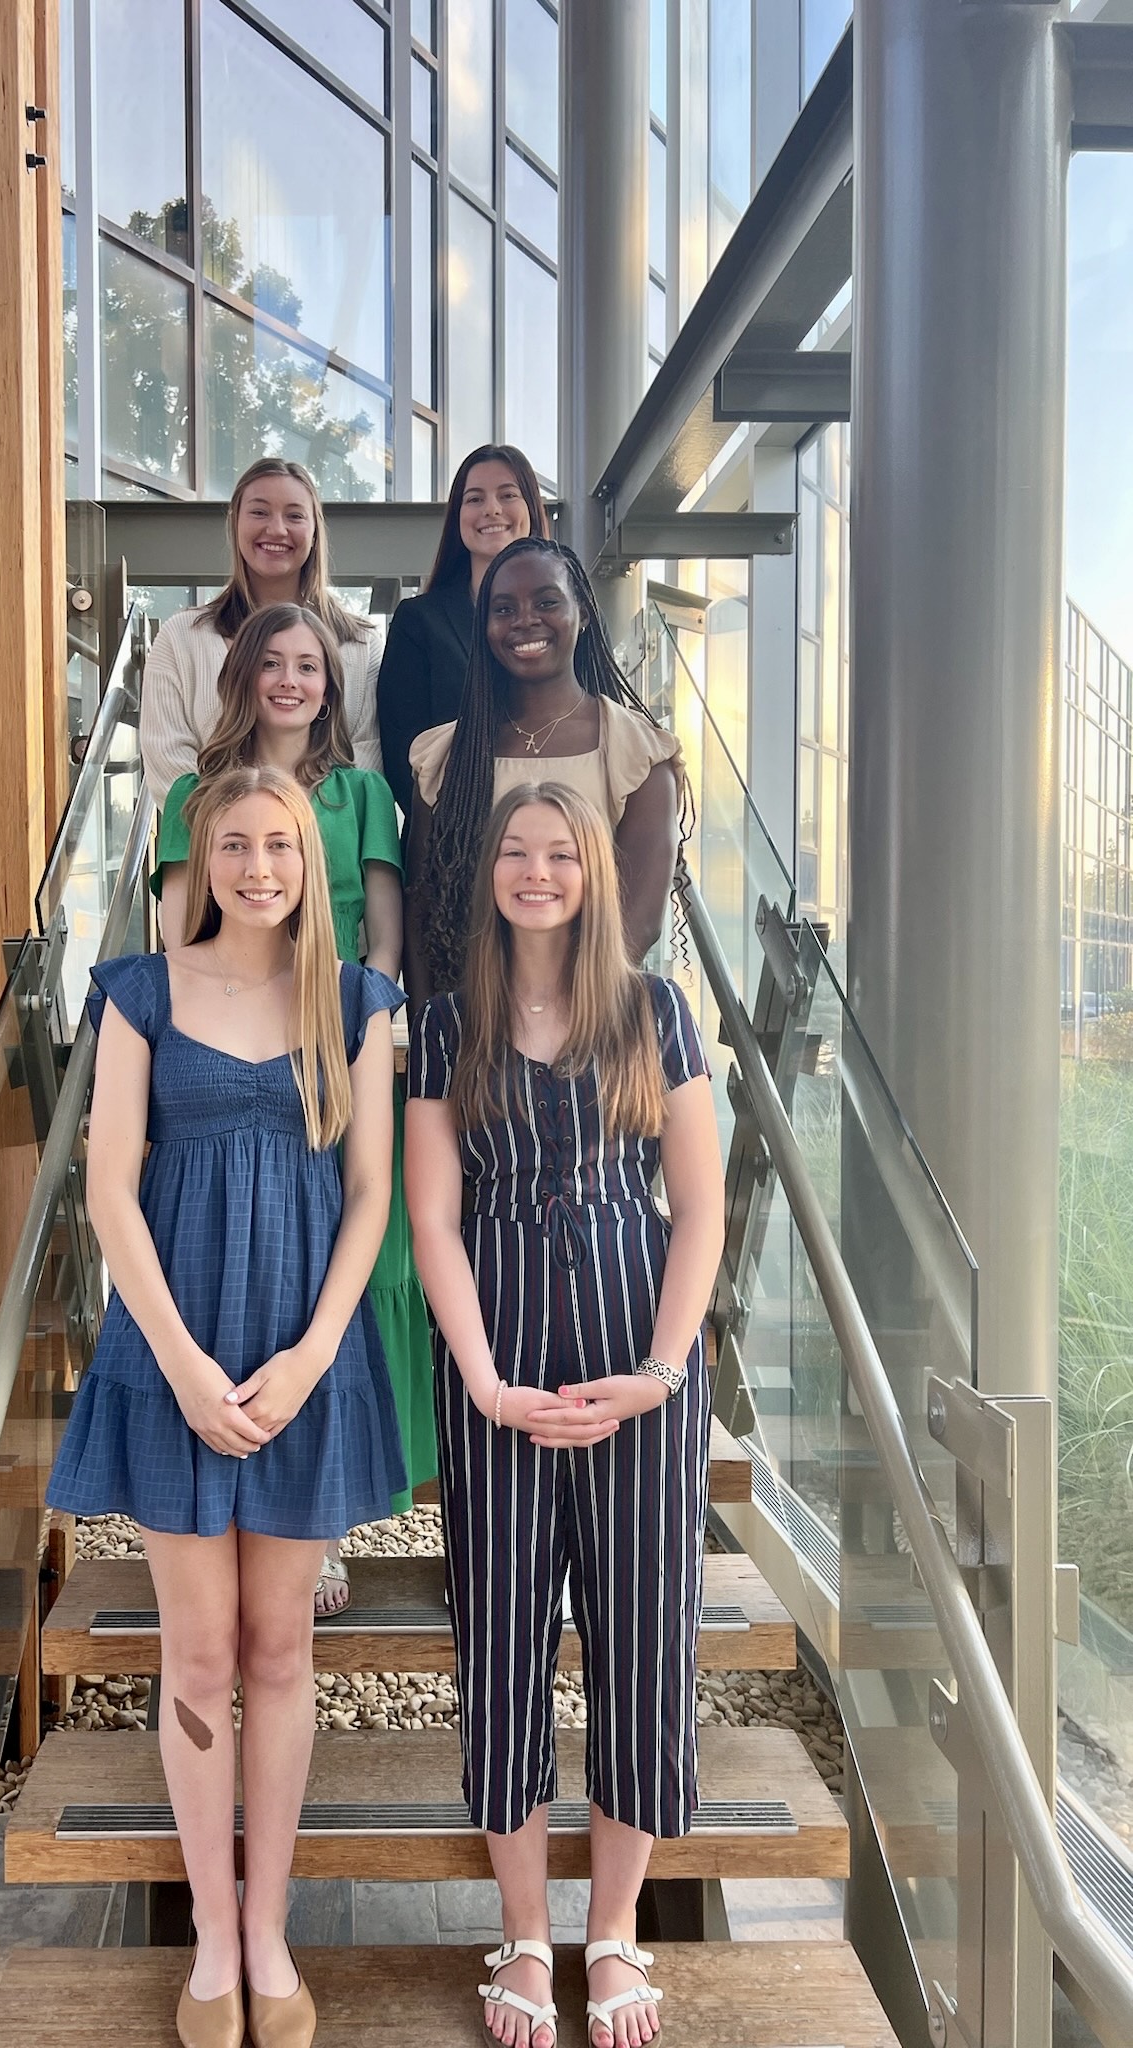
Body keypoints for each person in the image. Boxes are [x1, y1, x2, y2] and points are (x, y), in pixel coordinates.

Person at [47, 765, 406, 2048]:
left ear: (313, 859)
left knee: (280, 1651)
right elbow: (107, 1193)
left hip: (301, 1361)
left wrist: (314, 1354)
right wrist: (185, 1363)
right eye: (237, 844)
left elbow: (371, 1194)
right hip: (173, 1359)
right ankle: (210, 1930)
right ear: (200, 856)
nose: (260, 866)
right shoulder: (140, 992)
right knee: (196, 1654)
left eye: (283, 845)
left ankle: (269, 1926)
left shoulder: (360, 1001)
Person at [404, 783, 724, 2048]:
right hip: (500, 1373)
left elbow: (697, 1202)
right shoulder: (445, 1023)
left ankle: (615, 1929)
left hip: (638, 1372)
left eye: (561, 854)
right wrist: (479, 1374)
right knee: (501, 1648)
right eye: (515, 854)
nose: (536, 873)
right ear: (487, 873)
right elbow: (432, 1213)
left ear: (593, 872)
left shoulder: (655, 1011)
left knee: (645, 1645)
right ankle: (529, 1933)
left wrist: (659, 1368)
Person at [153, 604, 439, 1612]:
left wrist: (361, 1017)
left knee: (356, 1262)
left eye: (308, 663)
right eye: (269, 661)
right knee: (240, 1267)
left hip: (341, 1044)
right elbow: (177, 925)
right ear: (240, 675)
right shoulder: (193, 792)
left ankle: (319, 1518)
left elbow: (386, 930)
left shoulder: (360, 792)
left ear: (331, 683)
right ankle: (221, 1499)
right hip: (227, 1049)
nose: (289, 679)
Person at [403, 538, 686, 1007]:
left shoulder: (636, 752)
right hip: (471, 1026)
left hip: (592, 1024)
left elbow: (641, 921)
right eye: (504, 609)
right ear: (484, 626)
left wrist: (549, 1018)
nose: (525, 620)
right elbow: (421, 906)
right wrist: (434, 1027)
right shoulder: (446, 757)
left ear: (585, 613)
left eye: (547, 601)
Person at [139, 457, 382, 805]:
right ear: (235, 523)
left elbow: (366, 763)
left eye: (295, 515)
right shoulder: (182, 638)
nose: (277, 529)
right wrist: (245, 835)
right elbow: (170, 770)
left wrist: (296, 842)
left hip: (331, 852)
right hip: (214, 852)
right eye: (259, 512)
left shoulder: (362, 646)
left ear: (314, 532)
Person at [375, 443, 551, 813]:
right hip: (449, 842)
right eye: (474, 499)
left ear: (531, 510)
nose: (492, 509)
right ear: (457, 516)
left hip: (555, 839)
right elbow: (402, 759)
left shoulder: (569, 618)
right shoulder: (418, 623)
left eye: (508, 494)